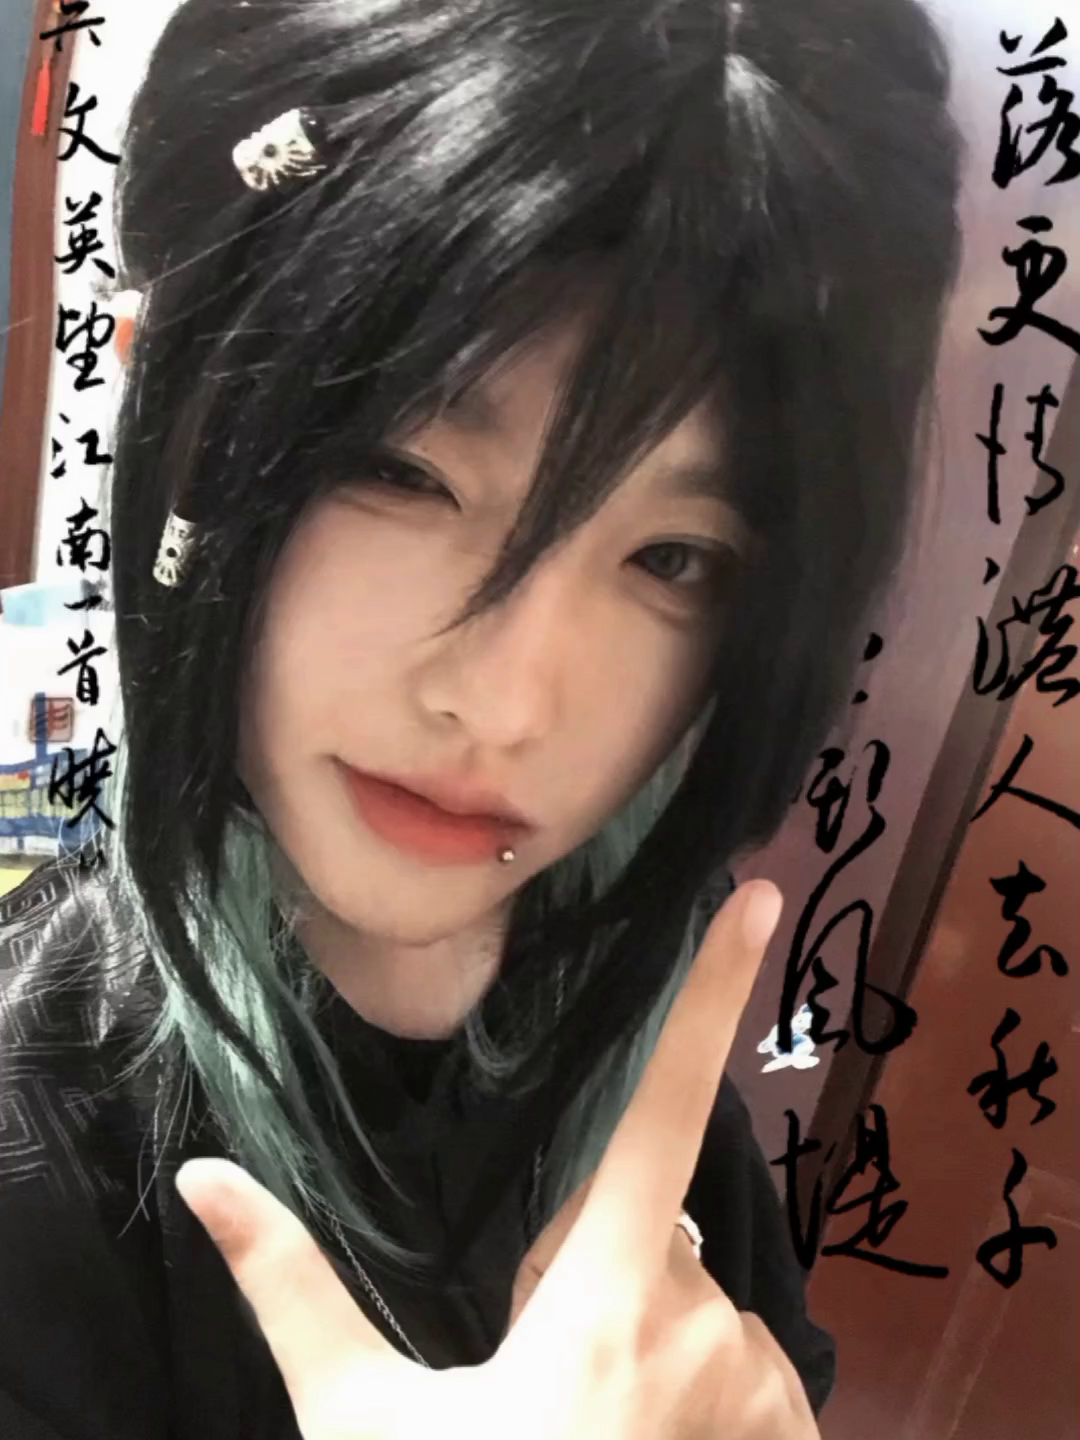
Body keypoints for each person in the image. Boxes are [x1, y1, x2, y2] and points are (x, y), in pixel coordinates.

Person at [0, 0, 964, 1435]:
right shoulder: (37, 1151)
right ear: (166, 397)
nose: (505, 706)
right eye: (401, 471)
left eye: (676, 560)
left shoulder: (632, 998)